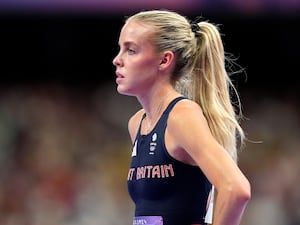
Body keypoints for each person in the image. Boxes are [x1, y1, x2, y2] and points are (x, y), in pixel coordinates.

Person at [112, 9, 251, 225]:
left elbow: (236, 188)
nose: (117, 60)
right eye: (120, 49)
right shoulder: (137, 123)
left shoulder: (181, 116)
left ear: (164, 60)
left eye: (131, 50)